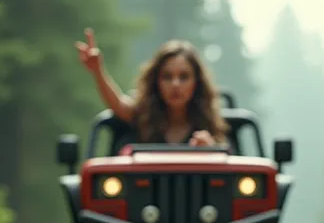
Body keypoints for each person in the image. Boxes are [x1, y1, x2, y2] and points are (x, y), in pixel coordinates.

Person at [75, 29, 229, 151]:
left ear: (197, 82)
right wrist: (97, 70)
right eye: (167, 77)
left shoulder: (211, 125)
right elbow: (118, 104)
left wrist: (211, 151)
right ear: (156, 82)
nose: (175, 84)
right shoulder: (143, 116)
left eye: (184, 77)